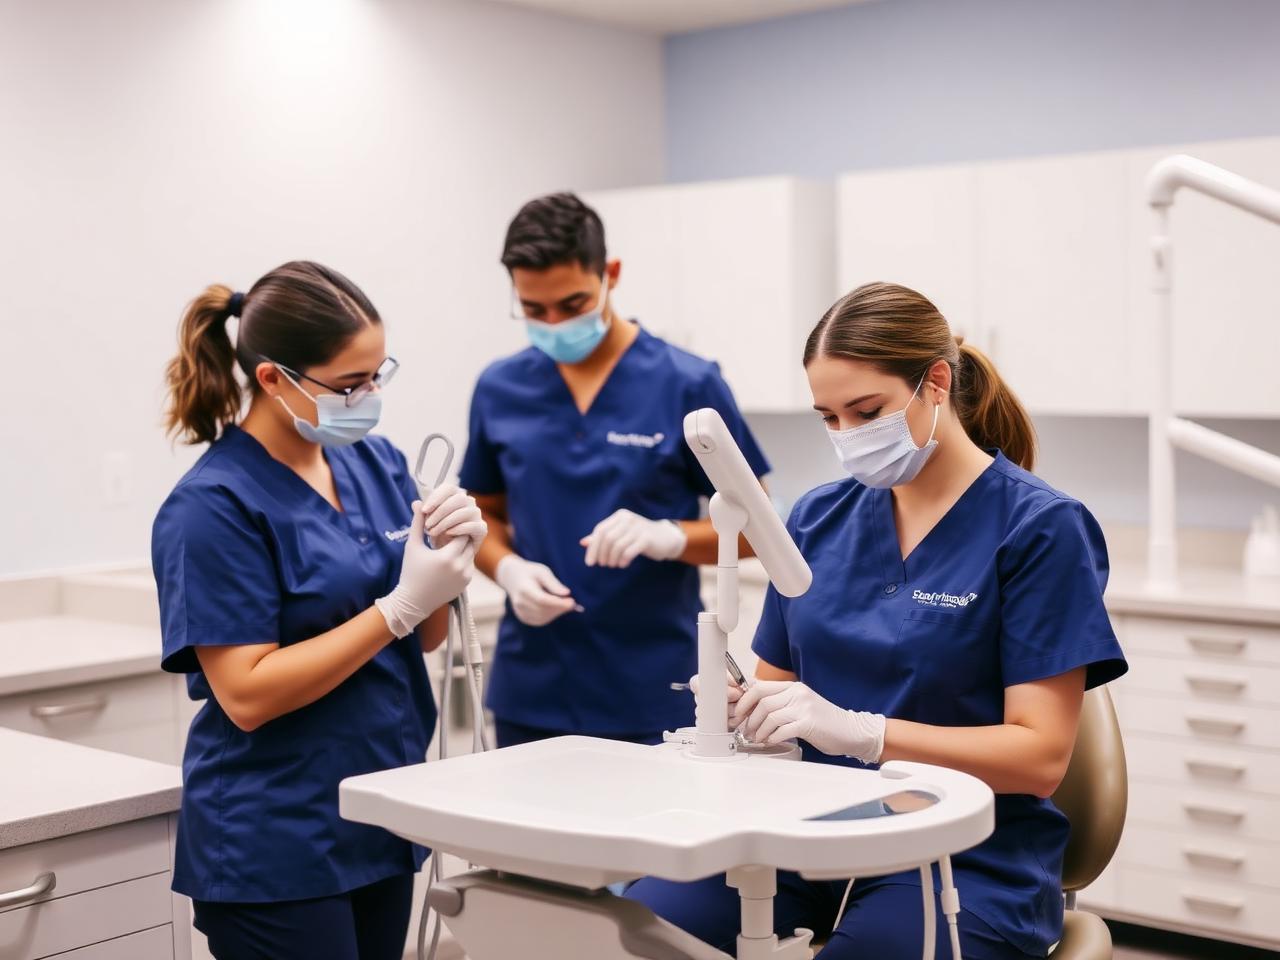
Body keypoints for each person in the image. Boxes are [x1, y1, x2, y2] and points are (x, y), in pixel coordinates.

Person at [627, 282, 1127, 959]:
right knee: (635, 931)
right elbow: (777, 698)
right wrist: (743, 709)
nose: (847, 437)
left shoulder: (1040, 529)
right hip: (802, 832)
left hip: (965, 851)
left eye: (866, 411)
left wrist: (865, 733)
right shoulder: (815, 519)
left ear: (936, 383)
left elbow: (1039, 759)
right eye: (828, 418)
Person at [152, 261, 484, 960]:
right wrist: (393, 608)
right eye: (349, 384)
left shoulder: (378, 462)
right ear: (273, 379)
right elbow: (245, 693)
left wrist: (449, 563)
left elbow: (421, 639)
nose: (368, 397)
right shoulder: (212, 507)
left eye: (376, 376)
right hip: (276, 839)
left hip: (379, 813)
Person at [459, 192, 771, 748]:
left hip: (653, 688)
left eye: (573, 303)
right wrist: (507, 570)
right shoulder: (499, 388)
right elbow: (482, 513)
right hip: (533, 685)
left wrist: (667, 537)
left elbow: (759, 530)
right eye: (534, 310)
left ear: (611, 275)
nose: (554, 323)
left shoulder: (687, 384)